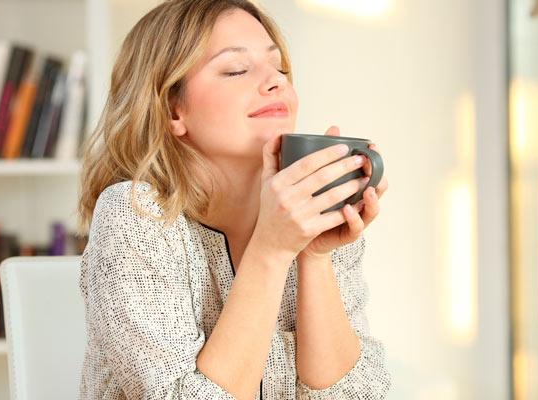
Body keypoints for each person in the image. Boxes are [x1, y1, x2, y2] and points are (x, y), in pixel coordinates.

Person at [75, 1, 391, 399]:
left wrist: (313, 254)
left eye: (280, 69)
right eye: (236, 70)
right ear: (174, 109)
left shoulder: (312, 213)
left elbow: (359, 395)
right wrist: (271, 250)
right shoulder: (134, 217)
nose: (275, 82)